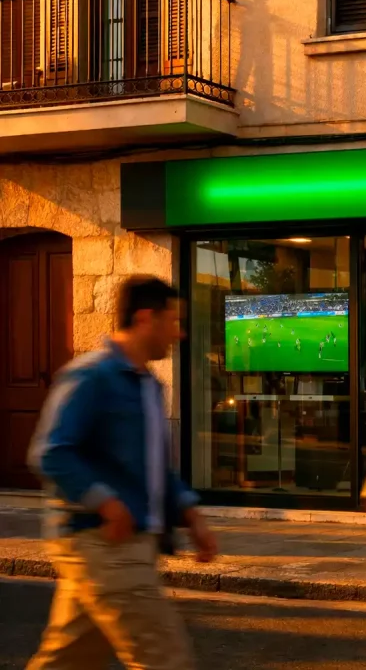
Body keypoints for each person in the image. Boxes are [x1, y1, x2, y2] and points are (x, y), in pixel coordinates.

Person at [26, 276, 217, 670]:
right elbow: (52, 452)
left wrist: (190, 513)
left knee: (68, 661)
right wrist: (108, 504)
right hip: (102, 542)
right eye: (173, 320)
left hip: (125, 544)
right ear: (147, 318)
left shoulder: (147, 385)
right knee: (166, 659)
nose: (180, 333)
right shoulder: (91, 376)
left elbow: (153, 468)